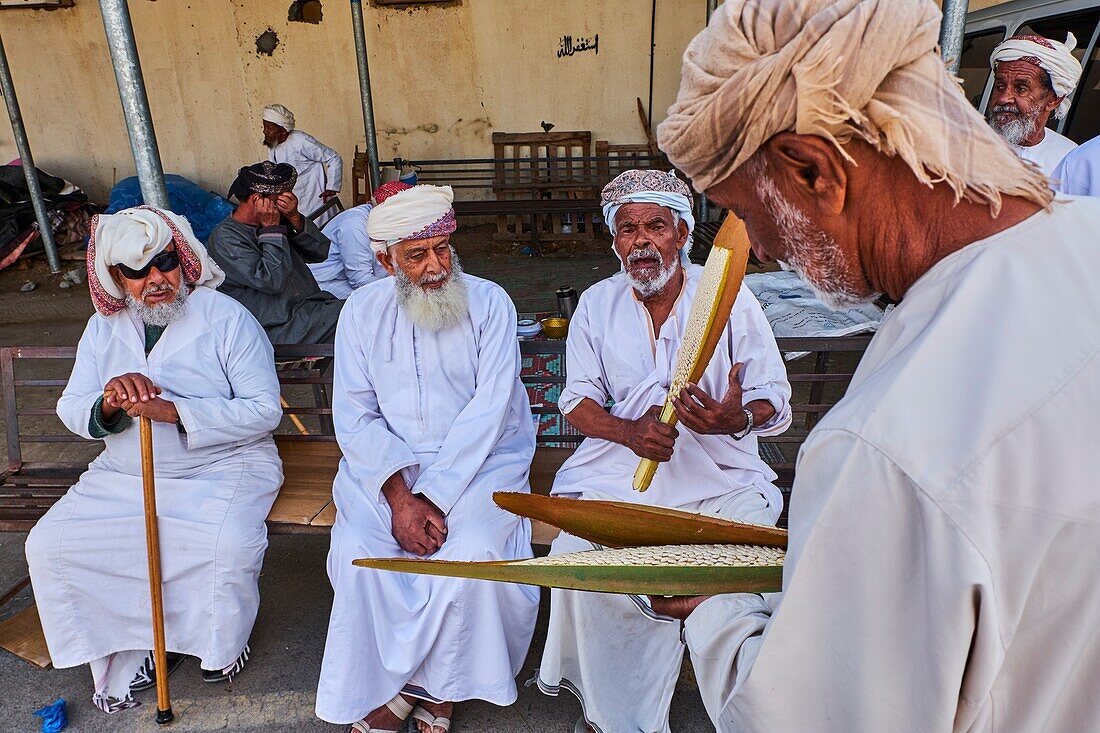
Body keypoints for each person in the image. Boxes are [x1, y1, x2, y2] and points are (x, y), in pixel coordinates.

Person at [650, 0, 1100, 731]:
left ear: (813, 170)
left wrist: (717, 614)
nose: (758, 249)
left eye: (744, 213)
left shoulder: (888, 448)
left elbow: (806, 715)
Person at [535, 169, 792, 733]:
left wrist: (735, 418)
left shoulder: (728, 296)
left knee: (746, 571)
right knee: (578, 559)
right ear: (614, 240)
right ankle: (615, 715)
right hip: (625, 477)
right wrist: (628, 433)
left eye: (656, 226)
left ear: (681, 234)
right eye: (628, 229)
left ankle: (755, 711)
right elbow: (576, 400)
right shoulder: (596, 306)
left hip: (720, 478)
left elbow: (772, 394)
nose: (642, 240)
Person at [25, 206, 283, 713]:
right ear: (118, 279)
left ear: (182, 261)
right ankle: (137, 642)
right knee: (51, 543)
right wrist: (108, 404)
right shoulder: (103, 329)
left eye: (164, 263)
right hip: (124, 472)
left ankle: (216, 643)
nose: (155, 280)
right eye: (137, 272)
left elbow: (264, 410)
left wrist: (175, 411)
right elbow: (72, 405)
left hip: (222, 466)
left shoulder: (225, 317)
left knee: (222, 543)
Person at [314, 184, 539, 733]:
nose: (436, 265)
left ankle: (435, 691)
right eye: (417, 255)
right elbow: (356, 415)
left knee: (472, 552)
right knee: (359, 553)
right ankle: (403, 682)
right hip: (386, 468)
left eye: (443, 249)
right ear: (385, 257)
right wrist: (400, 497)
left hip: (485, 461)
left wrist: (432, 497)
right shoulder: (360, 313)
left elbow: (490, 411)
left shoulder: (490, 302)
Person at [208, 161, 343, 344]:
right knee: (359, 315)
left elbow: (320, 252)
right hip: (279, 328)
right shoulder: (226, 239)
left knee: (366, 308)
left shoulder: (276, 221)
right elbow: (272, 280)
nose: (285, 202)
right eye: (279, 198)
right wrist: (271, 230)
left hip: (309, 310)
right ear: (257, 199)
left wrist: (294, 217)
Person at [988, 32, 1082, 176]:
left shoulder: (1070, 158)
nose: (1003, 99)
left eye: (1021, 89)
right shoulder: (962, 148)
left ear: (1054, 100)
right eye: (1000, 87)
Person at [309, 181, 411, 298]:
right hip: (326, 281)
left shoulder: (387, 220)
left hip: (350, 275)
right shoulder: (354, 225)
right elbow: (360, 281)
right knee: (382, 302)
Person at [263, 103, 343, 224]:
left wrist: (331, 187)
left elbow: (333, 158)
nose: (265, 131)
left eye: (269, 128)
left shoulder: (301, 141)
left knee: (323, 231)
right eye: (264, 126)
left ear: (283, 131)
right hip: (294, 200)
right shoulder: (273, 145)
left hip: (314, 197)